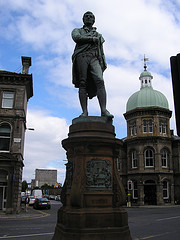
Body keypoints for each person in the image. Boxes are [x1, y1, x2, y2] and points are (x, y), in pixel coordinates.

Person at [71, 11, 114, 118]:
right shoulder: (77, 30)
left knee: (100, 80)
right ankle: (84, 112)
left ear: (94, 20)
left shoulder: (98, 35)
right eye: (86, 17)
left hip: (94, 57)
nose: (89, 18)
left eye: (91, 17)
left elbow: (101, 50)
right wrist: (92, 39)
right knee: (82, 83)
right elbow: (77, 38)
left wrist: (102, 62)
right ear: (83, 19)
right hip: (82, 56)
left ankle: (104, 110)